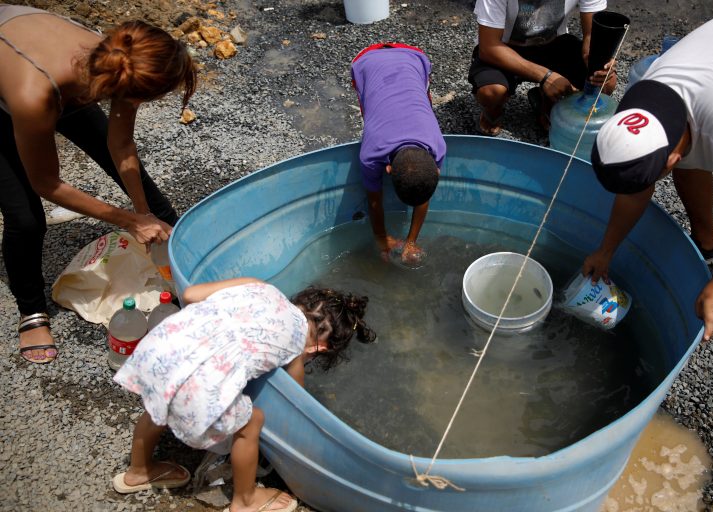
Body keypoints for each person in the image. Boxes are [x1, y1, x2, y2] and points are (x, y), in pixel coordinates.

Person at [0, 5, 197, 364]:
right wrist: (128, 220)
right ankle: (30, 312)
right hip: (12, 87)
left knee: (153, 204)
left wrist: (143, 211)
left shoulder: (125, 59)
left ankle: (188, 279)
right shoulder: (35, 95)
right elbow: (46, 182)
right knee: (24, 217)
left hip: (61, 74)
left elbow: (121, 145)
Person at [585, 1, 713, 341]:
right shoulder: (640, 103)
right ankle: (708, 243)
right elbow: (636, 184)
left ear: (670, 162)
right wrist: (606, 249)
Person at [111, 277, 376, 512]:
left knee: (161, 399)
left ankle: (138, 471)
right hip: (198, 384)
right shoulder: (297, 346)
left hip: (163, 346)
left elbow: (191, 294)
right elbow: (297, 402)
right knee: (251, 422)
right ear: (320, 348)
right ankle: (246, 500)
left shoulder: (261, 286)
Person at [351, 43, 446, 264]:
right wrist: (381, 238)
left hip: (415, 59)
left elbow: (423, 194)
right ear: (388, 169)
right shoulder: (371, 154)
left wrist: (411, 241)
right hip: (366, 59)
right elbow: (374, 202)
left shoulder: (437, 145)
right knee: (370, 106)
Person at [468, 0, 617, 135]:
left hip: (554, 43)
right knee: (492, 92)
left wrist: (598, 59)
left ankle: (546, 101)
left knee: (604, 84)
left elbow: (592, 34)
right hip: (505, 47)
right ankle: (493, 111)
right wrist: (546, 76)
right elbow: (488, 47)